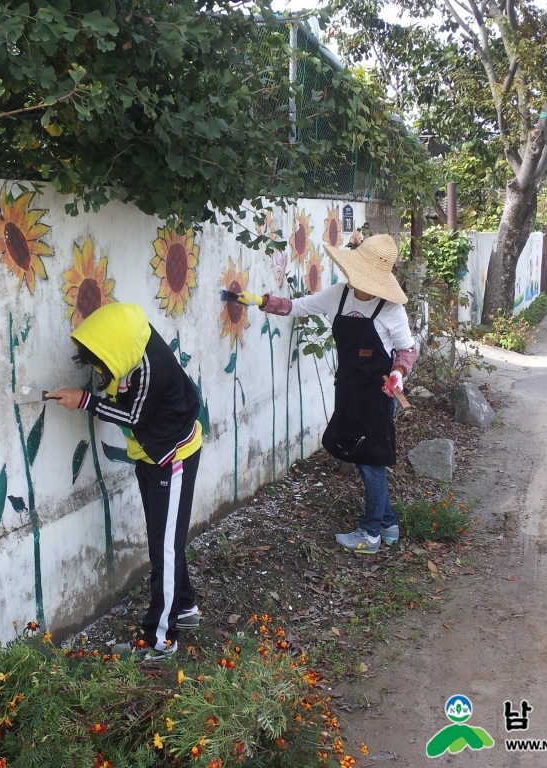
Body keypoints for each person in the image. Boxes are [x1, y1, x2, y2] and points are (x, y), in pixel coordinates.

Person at [238, 234, 417, 554]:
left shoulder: (391, 310)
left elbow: (407, 349)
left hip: (378, 395)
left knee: (371, 462)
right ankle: (388, 524)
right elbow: (298, 306)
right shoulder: (339, 295)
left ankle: (370, 533)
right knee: (365, 460)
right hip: (349, 390)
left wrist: (397, 373)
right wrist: (262, 301)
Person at [47, 302, 204, 659]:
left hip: (172, 458)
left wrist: (84, 400)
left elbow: (133, 415)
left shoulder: (151, 369)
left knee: (163, 547)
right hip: (153, 455)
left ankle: (160, 640)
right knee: (164, 540)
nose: (102, 372)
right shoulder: (131, 345)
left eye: (101, 364)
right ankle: (183, 606)